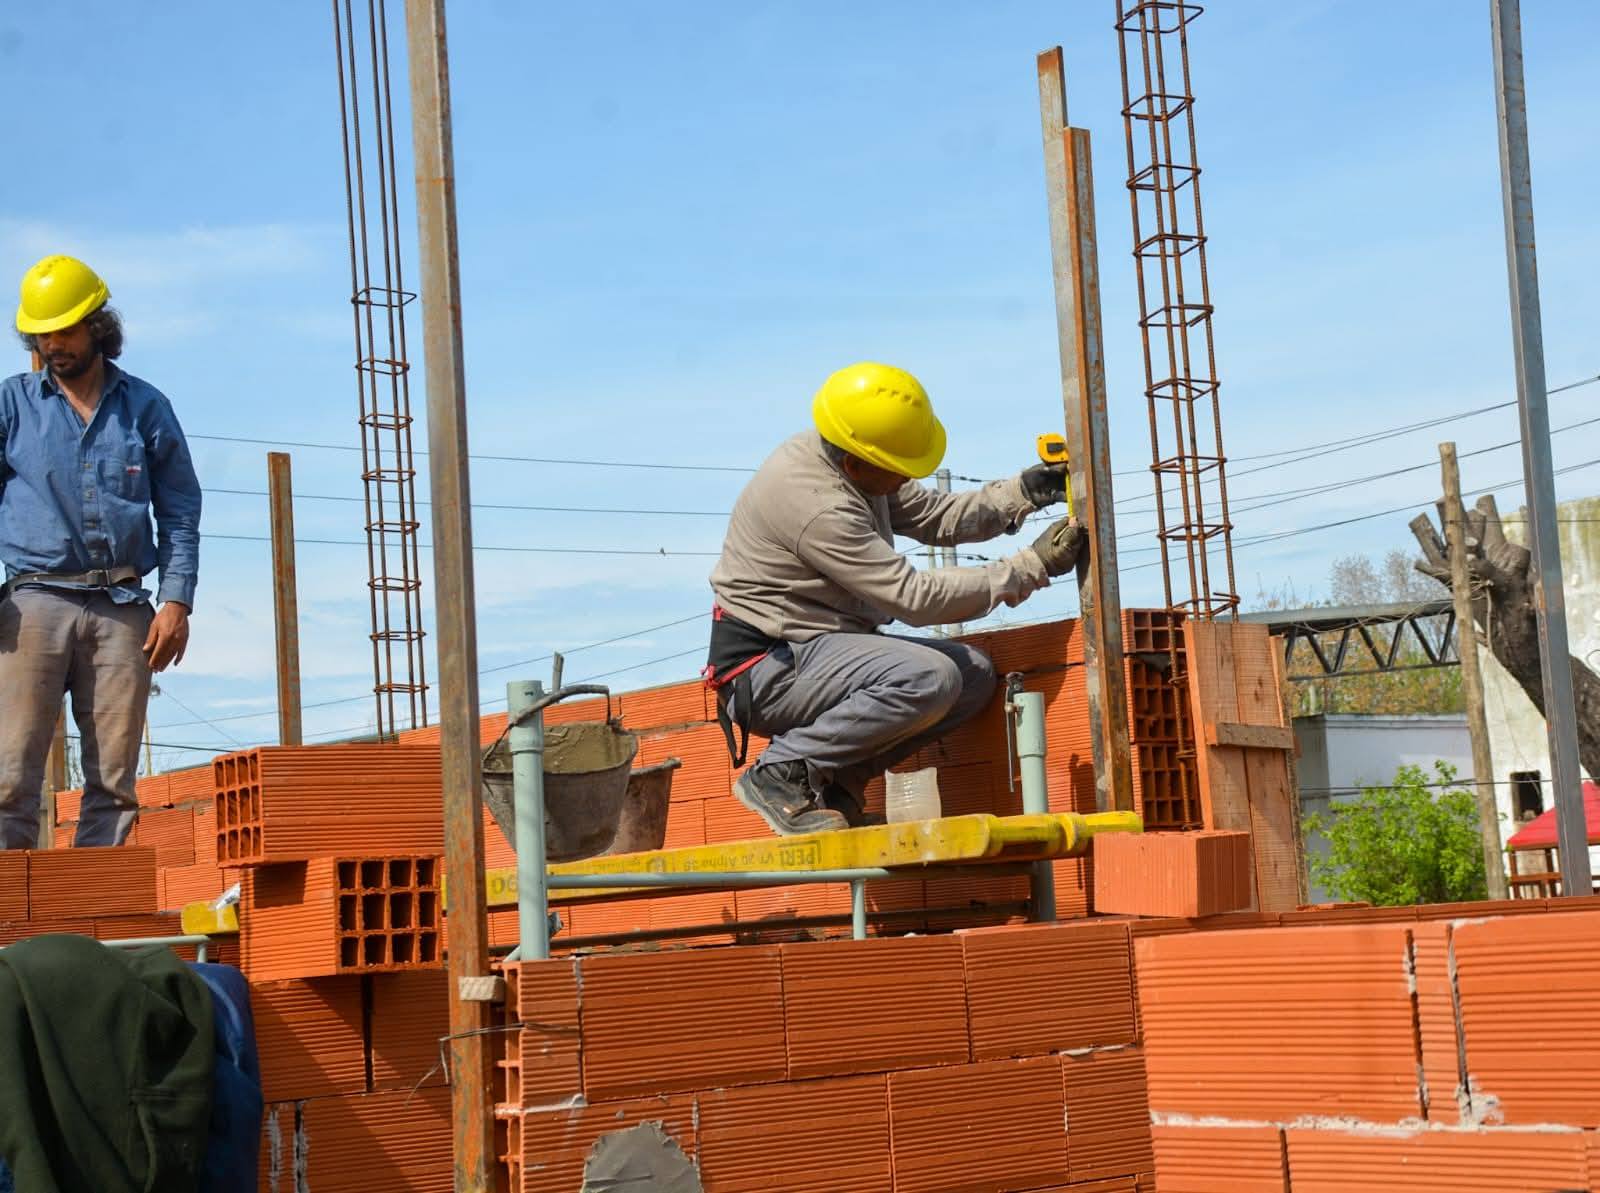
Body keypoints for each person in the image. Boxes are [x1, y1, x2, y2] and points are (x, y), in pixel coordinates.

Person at [704, 361, 1082, 835]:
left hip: (816, 652)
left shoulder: (853, 458)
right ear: (855, 463)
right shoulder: (818, 503)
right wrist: (1030, 566)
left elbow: (937, 516)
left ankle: (840, 779)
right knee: (929, 676)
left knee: (973, 678)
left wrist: (1023, 493)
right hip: (768, 669)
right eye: (899, 470)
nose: (906, 480)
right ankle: (781, 771)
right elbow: (914, 598)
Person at [0, 255, 201, 850]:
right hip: (31, 604)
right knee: (11, 778)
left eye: (64, 330)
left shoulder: (145, 407)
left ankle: (91, 929)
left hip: (121, 607)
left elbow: (181, 508)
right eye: (42, 333)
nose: (52, 345)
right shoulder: (11, 407)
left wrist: (176, 601)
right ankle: (8, 928)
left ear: (97, 326)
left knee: (114, 785)